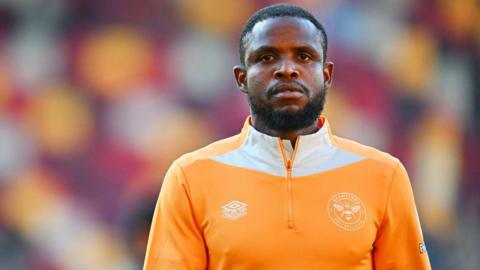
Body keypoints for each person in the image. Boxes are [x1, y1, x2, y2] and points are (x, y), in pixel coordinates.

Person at [143, 3, 431, 270]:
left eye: (304, 56)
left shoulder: (383, 175)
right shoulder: (190, 178)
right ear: (241, 78)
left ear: (327, 74)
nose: (287, 69)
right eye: (267, 57)